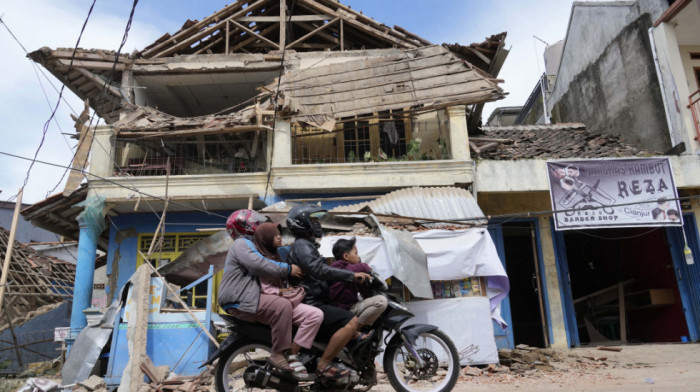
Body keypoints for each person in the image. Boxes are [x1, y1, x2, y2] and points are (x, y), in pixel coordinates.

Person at [217, 209, 311, 379]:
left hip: (248, 296)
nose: (258, 223)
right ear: (245, 225)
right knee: (281, 306)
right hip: (238, 297)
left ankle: (294, 354)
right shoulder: (241, 243)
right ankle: (278, 353)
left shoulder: (252, 245)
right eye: (254, 221)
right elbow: (258, 264)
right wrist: (287, 269)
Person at [286, 204, 372, 380]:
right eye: (313, 220)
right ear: (302, 223)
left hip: (317, 300)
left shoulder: (308, 245)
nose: (317, 224)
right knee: (351, 321)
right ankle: (324, 364)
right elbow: (319, 270)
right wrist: (351, 275)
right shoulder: (302, 245)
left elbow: (321, 271)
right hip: (311, 302)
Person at [254, 222, 324, 377]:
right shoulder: (260, 260)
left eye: (280, 234)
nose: (280, 237)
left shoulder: (276, 254)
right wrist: (281, 291)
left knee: (316, 315)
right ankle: (284, 355)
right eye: (275, 235)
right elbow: (264, 288)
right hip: (273, 303)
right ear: (265, 238)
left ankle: (292, 353)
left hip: (285, 300)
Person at [329, 237, 388, 334]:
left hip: (350, 307)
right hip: (343, 309)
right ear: (346, 256)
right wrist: (365, 267)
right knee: (381, 301)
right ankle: (352, 332)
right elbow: (353, 269)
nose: (358, 256)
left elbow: (365, 292)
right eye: (356, 253)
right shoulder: (337, 267)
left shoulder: (354, 272)